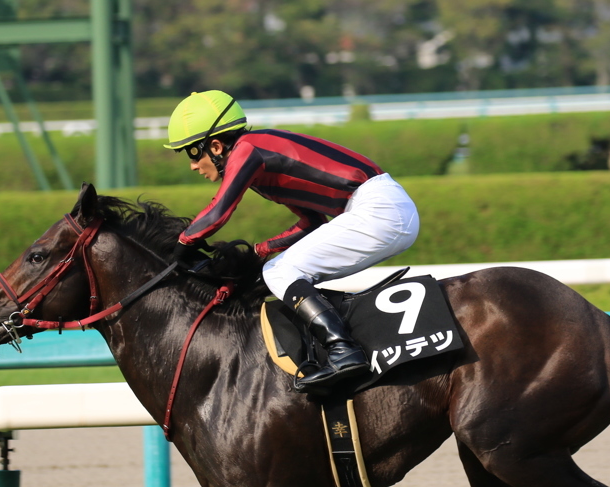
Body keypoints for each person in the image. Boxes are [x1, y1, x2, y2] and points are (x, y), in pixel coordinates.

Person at [164, 90, 420, 393]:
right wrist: (258, 252)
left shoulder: (249, 149)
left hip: (378, 208)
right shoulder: (261, 160)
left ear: (216, 146)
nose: (193, 165)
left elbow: (218, 211)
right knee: (276, 271)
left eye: (193, 153)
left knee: (280, 272)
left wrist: (179, 245)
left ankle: (343, 350)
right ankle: (323, 349)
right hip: (379, 208)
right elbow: (311, 223)